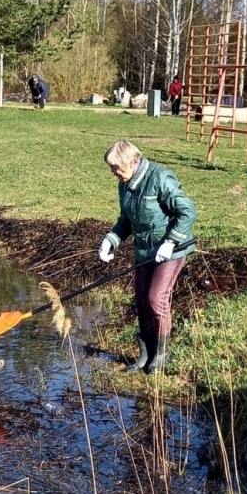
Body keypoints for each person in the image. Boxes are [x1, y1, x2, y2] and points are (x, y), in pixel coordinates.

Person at [98, 140, 196, 374]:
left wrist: (171, 241)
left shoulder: (160, 178)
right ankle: (145, 355)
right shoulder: (125, 184)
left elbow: (188, 211)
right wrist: (110, 240)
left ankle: (161, 356)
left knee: (156, 299)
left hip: (171, 250)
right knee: (141, 301)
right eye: (111, 168)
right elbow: (126, 220)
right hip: (144, 250)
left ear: (133, 162)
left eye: (116, 168)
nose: (113, 173)